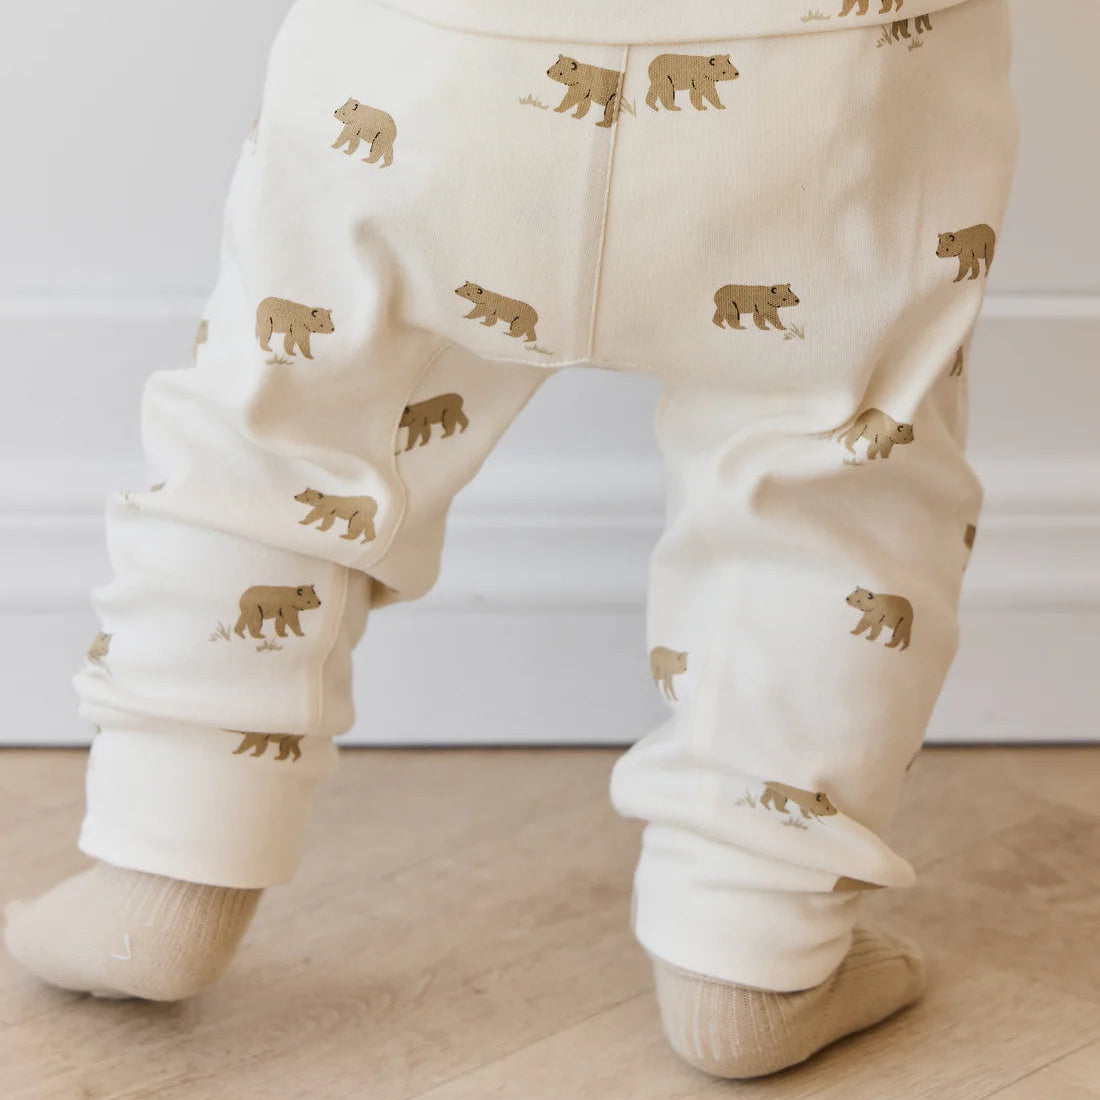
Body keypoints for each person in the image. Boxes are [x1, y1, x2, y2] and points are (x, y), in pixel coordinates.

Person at [4, 0, 1018, 1079]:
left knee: (282, 435)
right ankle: (754, 947)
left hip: (428, 61)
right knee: (829, 490)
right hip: (838, 89)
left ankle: (163, 860)